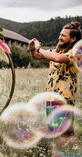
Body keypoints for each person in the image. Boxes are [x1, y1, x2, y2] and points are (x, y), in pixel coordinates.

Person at [29, 21, 81, 153]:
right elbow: (37, 55)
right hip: (51, 100)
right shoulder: (57, 51)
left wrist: (40, 48)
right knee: (56, 134)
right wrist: (32, 48)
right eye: (60, 34)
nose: (59, 37)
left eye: (63, 36)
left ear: (73, 39)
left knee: (64, 136)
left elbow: (57, 58)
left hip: (63, 100)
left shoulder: (75, 53)